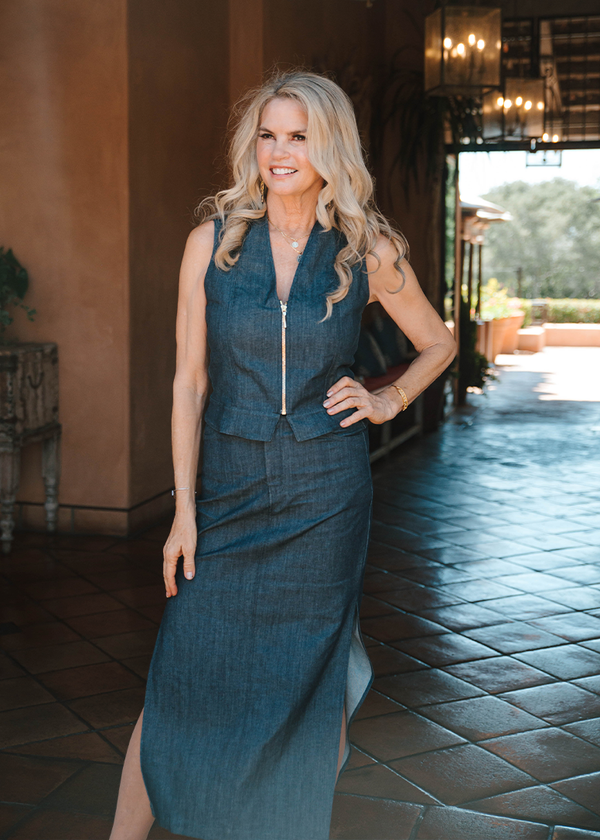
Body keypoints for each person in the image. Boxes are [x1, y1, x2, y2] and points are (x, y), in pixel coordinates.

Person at [109, 70, 456, 840]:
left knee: (310, 682)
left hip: (324, 498)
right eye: (268, 135)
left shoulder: (366, 247)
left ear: (329, 145)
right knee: (180, 678)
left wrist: (386, 399)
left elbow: (438, 343)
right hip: (227, 495)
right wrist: (182, 514)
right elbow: (189, 382)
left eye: (298, 136)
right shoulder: (214, 242)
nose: (279, 151)